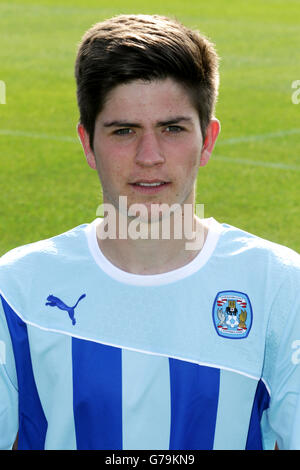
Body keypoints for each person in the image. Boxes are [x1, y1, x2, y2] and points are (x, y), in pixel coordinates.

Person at [0, 14, 299, 451]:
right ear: (87, 143)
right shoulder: (17, 290)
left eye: (172, 129)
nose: (150, 156)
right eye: (124, 131)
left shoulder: (279, 284)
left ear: (208, 140)